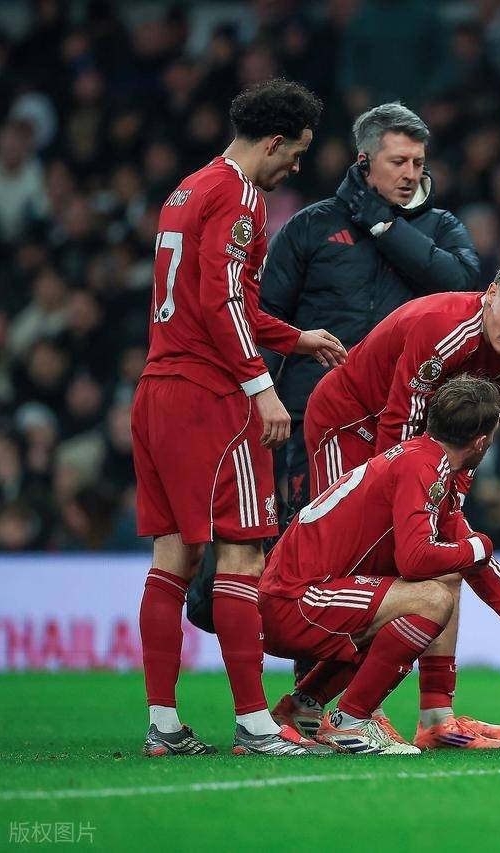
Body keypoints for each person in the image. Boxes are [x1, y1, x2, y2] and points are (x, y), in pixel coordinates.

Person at [131, 79, 345, 756]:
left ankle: (163, 723)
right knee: (244, 552)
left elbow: (220, 299)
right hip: (212, 398)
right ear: (274, 142)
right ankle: (255, 722)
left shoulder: (186, 189)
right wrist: (262, 388)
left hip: (157, 390)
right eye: (297, 152)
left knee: (173, 555)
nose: (297, 168)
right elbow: (223, 300)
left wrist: (296, 338)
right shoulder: (240, 195)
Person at [272, 253, 500, 749]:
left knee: (440, 560)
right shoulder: (441, 329)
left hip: (417, 446)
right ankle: (352, 712)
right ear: (490, 293)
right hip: (352, 420)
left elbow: (483, 426)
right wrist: (419, 494)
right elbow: (399, 426)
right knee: (380, 563)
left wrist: (449, 501)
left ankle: (434, 717)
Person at [261, 102, 480, 517]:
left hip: (405, 415)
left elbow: (463, 286)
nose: (411, 174)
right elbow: (267, 316)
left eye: (418, 163)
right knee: (312, 529)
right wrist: (262, 395)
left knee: (392, 531)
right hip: (314, 412)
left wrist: (386, 228)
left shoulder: (442, 226)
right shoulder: (311, 225)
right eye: (398, 162)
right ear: (364, 162)